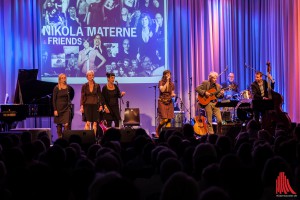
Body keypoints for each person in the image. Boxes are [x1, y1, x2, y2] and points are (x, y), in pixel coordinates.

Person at [80, 70, 105, 136]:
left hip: (95, 105)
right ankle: (87, 138)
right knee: (88, 123)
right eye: (89, 75)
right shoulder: (84, 86)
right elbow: (82, 96)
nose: (91, 76)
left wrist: (101, 106)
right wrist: (82, 106)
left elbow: (100, 96)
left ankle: (93, 138)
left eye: (92, 75)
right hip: (87, 105)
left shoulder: (97, 85)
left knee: (95, 123)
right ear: (87, 77)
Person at [156, 70, 176, 137]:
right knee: (165, 119)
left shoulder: (172, 84)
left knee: (169, 119)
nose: (168, 76)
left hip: (169, 101)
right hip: (162, 101)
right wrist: (167, 81)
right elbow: (162, 90)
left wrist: (173, 94)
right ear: (164, 75)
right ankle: (157, 130)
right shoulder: (161, 82)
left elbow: (172, 92)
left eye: (169, 75)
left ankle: (167, 135)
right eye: (167, 75)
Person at [53, 73, 73, 139]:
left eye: (65, 77)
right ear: (59, 79)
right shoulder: (56, 88)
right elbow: (54, 99)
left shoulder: (68, 88)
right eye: (62, 78)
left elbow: (69, 98)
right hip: (58, 108)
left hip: (66, 108)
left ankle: (66, 139)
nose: (64, 79)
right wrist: (55, 109)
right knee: (59, 125)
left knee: (66, 124)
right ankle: (60, 139)